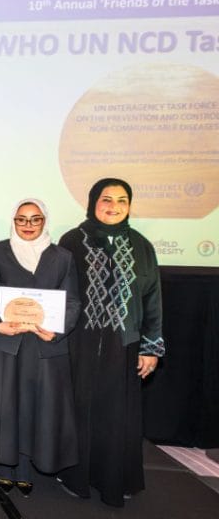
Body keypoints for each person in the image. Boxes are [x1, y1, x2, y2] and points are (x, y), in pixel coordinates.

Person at [0, 198, 80, 496]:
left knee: (32, 408)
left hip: (43, 346)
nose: (28, 225)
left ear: (44, 221)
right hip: (5, 343)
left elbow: (72, 301)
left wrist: (57, 331)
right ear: (14, 221)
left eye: (35, 219)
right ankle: (4, 468)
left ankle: (24, 468)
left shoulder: (63, 257)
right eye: (21, 219)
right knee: (4, 407)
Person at [57, 178, 164, 507]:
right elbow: (60, 292)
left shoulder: (142, 246)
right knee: (78, 409)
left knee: (118, 416)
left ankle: (116, 479)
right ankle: (75, 475)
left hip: (124, 346)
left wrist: (150, 347)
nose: (114, 206)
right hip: (79, 343)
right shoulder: (72, 241)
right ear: (93, 202)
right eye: (107, 199)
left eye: (122, 200)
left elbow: (152, 299)